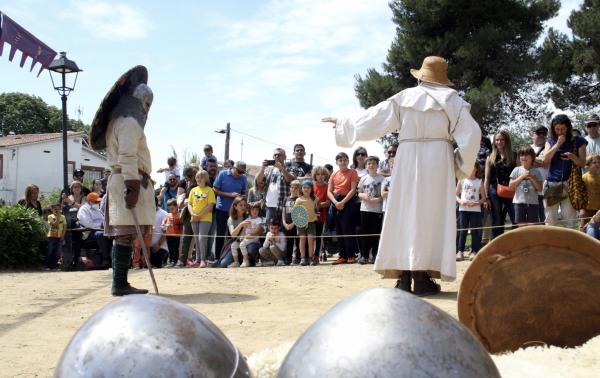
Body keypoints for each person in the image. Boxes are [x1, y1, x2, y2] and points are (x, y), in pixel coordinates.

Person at [322, 56, 480, 296]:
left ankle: (404, 277)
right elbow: (473, 135)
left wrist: (345, 123)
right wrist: (459, 165)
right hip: (438, 160)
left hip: (407, 157)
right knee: (430, 216)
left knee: (404, 214)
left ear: (421, 77)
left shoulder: (405, 97)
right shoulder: (453, 101)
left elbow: (375, 118)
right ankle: (421, 276)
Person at [90, 65, 155, 296]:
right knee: (125, 234)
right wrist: (133, 185)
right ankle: (120, 283)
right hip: (127, 179)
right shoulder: (128, 122)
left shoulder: (118, 121)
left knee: (125, 235)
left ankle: (120, 282)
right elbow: (127, 156)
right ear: (141, 102)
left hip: (125, 178)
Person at [541, 114, 588, 229]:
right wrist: (557, 144)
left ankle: (569, 246)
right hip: (552, 183)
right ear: (553, 128)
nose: (560, 131)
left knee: (570, 221)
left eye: (563, 129)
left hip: (571, 184)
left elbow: (582, 163)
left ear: (568, 128)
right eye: (557, 129)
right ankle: (550, 246)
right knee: (550, 221)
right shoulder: (551, 140)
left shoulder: (579, 141)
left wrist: (572, 157)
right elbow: (545, 160)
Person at [326, 152, 359, 265]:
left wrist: (343, 202)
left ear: (348, 161)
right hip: (336, 202)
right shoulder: (334, 174)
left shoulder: (352, 172)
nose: (343, 162)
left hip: (348, 202)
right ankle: (342, 256)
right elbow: (329, 191)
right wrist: (335, 202)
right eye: (340, 160)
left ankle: (351, 255)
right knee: (339, 230)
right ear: (336, 162)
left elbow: (353, 189)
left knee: (348, 228)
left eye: (345, 159)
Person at [484, 131, 517, 239]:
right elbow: (487, 178)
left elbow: (519, 173)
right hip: (494, 191)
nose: (499, 142)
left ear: (506, 140)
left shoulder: (514, 155)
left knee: (515, 218)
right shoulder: (490, 157)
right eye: (497, 139)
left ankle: (515, 244)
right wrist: (486, 197)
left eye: (502, 139)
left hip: (511, 190)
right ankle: (496, 247)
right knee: (497, 220)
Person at [213, 161, 247, 261]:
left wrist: (241, 197)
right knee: (220, 234)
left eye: (242, 172)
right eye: (239, 171)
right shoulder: (223, 174)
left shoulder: (243, 178)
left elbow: (243, 193)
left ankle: (230, 258)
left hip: (236, 212)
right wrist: (230, 195)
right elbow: (215, 189)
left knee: (233, 235)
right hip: (222, 209)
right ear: (234, 167)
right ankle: (217, 258)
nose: (240, 174)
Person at [256, 148, 296, 225]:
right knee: (270, 231)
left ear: (285, 157)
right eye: (275, 155)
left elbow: (290, 179)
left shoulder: (290, 168)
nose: (277, 156)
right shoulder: (269, 170)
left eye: (279, 155)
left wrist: (281, 168)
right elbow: (259, 181)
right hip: (270, 205)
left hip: (284, 205)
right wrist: (262, 168)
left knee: (284, 231)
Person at [357, 156, 384, 264]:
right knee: (365, 233)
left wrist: (378, 199)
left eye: (373, 163)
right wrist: (364, 196)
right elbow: (359, 192)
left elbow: (385, 194)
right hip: (365, 209)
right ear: (366, 165)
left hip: (377, 210)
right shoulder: (363, 178)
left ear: (377, 165)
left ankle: (374, 255)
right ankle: (364, 255)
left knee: (375, 233)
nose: (371, 165)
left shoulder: (382, 179)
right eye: (369, 163)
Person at [456, 163, 485, 261]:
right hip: (463, 210)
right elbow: (455, 195)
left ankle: (474, 251)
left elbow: (484, 198)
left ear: (476, 168)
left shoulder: (479, 182)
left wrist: (477, 203)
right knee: (462, 230)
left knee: (474, 231)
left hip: (475, 210)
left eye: (472, 167)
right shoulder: (462, 180)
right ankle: (460, 251)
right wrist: (461, 201)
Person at [187, 170, 216, 268]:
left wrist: (199, 215)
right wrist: (192, 214)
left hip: (205, 218)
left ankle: (204, 260)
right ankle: (198, 260)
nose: (198, 179)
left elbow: (210, 206)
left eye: (201, 177)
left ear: (206, 179)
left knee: (202, 238)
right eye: (197, 177)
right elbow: (189, 204)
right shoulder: (193, 190)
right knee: (196, 238)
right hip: (194, 217)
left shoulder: (210, 190)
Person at [509, 147, 543, 226]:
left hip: (533, 203)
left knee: (532, 227)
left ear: (532, 158)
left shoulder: (536, 171)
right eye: (522, 155)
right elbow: (510, 186)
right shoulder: (516, 170)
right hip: (519, 203)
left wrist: (532, 177)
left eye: (526, 155)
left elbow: (540, 188)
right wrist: (521, 177)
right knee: (521, 227)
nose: (524, 157)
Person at [77, 192, 111, 267]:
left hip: (101, 229)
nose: (98, 203)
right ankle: (105, 259)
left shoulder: (98, 210)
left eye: (98, 201)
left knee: (113, 233)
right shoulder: (83, 209)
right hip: (89, 233)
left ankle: (112, 257)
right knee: (101, 234)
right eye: (96, 201)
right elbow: (88, 224)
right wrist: (101, 225)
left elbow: (103, 220)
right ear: (89, 201)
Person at [175, 166, 198, 267]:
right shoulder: (188, 186)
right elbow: (181, 202)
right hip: (188, 214)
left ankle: (195, 259)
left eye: (188, 176)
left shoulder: (199, 185)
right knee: (186, 237)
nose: (186, 179)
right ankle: (182, 259)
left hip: (198, 213)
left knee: (196, 238)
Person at [294, 179, 319, 266]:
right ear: (301, 189)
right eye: (304, 187)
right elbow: (295, 212)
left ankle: (311, 258)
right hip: (301, 223)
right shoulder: (298, 200)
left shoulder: (315, 199)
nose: (306, 189)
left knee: (311, 240)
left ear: (311, 189)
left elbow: (316, 209)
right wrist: (297, 221)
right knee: (302, 240)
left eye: (308, 188)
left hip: (311, 222)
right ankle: (303, 258)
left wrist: (317, 212)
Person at [312, 166, 330, 263]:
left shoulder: (327, 186)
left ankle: (316, 256)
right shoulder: (311, 185)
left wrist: (317, 205)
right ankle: (308, 255)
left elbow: (328, 202)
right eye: (318, 174)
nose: (320, 176)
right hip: (310, 215)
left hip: (321, 215)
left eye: (322, 174)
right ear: (315, 175)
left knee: (319, 236)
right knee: (309, 235)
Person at [531, 125, 549, 222]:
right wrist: (542, 161)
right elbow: (526, 164)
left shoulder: (549, 148)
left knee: (546, 217)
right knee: (534, 217)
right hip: (532, 188)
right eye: (539, 133)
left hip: (547, 187)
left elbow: (547, 163)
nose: (542, 135)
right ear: (532, 134)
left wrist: (533, 161)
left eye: (544, 133)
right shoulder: (528, 148)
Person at [238, 203, 264, 267]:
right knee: (234, 245)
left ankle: (245, 260)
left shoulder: (259, 219)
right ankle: (237, 261)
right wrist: (241, 237)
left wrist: (249, 234)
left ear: (259, 211)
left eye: (256, 210)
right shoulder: (247, 219)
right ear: (249, 211)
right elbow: (244, 229)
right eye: (253, 210)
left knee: (242, 245)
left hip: (254, 238)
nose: (255, 211)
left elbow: (257, 230)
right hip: (247, 238)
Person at [226, 197, 249, 268]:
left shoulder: (248, 216)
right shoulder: (231, 219)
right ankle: (237, 262)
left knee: (252, 248)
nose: (243, 207)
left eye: (245, 205)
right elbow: (233, 234)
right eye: (241, 205)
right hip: (235, 242)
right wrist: (241, 224)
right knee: (223, 264)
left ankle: (248, 260)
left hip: (247, 241)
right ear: (235, 206)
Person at [282, 180, 301, 264]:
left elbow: (301, 213)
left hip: (296, 224)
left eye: (296, 188)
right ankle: (288, 258)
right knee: (289, 242)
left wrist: (293, 223)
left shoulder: (300, 199)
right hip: (287, 224)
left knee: (298, 241)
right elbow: (283, 211)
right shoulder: (286, 198)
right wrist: (284, 222)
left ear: (299, 189)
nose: (293, 189)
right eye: (292, 187)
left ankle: (298, 258)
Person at [161, 198, 183, 267]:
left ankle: (175, 261)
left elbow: (181, 225)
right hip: (168, 235)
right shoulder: (168, 215)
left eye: (172, 208)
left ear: (176, 207)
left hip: (176, 235)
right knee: (170, 248)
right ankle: (170, 261)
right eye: (169, 209)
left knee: (175, 248)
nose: (171, 210)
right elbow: (163, 223)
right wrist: (163, 226)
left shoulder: (180, 215)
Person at [581, 154, 600, 231]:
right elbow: (580, 194)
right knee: (584, 229)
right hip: (587, 209)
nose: (597, 164)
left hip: (597, 210)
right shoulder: (584, 177)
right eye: (594, 162)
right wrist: (582, 209)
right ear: (588, 164)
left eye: (599, 162)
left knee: (595, 229)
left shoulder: (599, 178)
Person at [46, 203, 66, 269]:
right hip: (51, 237)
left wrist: (63, 236)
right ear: (52, 210)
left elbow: (64, 227)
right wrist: (58, 217)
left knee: (58, 252)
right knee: (50, 251)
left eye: (58, 209)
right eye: (55, 209)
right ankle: (48, 265)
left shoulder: (63, 217)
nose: (57, 210)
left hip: (59, 237)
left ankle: (54, 265)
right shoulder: (50, 216)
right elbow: (54, 225)